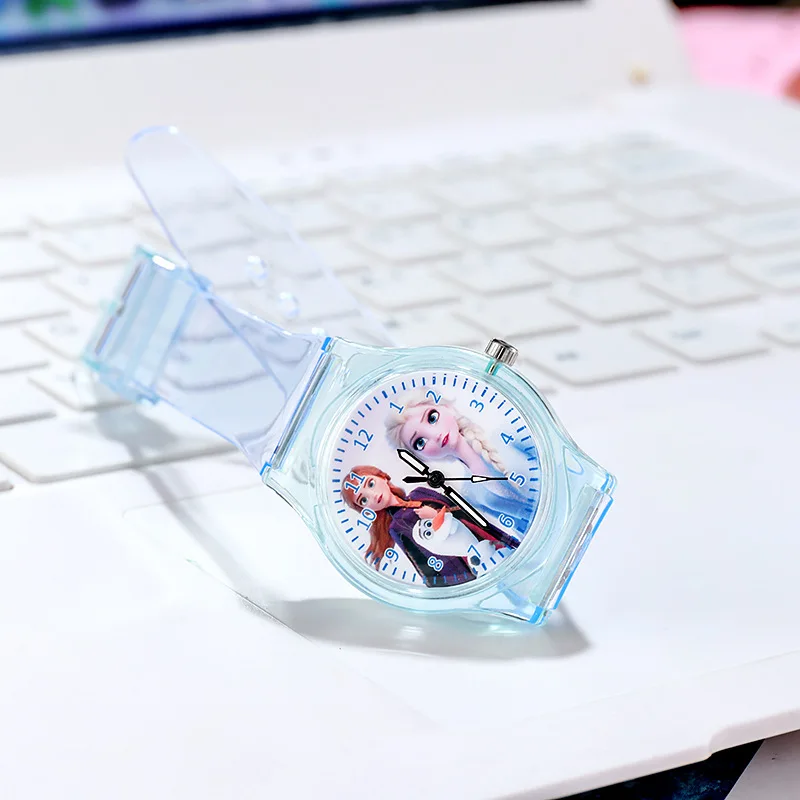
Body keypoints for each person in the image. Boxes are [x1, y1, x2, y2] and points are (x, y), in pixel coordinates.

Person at [383, 391, 537, 532]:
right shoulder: (468, 492)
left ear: (447, 408)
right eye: (420, 442)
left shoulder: (506, 436)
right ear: (421, 457)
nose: (435, 435)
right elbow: (516, 526)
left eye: (432, 418)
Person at [342, 465, 518, 587]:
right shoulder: (397, 526)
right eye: (363, 500)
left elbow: (460, 510)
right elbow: (420, 559)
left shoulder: (419, 492)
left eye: (371, 484)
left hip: (479, 534)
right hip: (462, 565)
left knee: (511, 562)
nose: (373, 495)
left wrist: (438, 513)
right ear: (365, 510)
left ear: (383, 477)